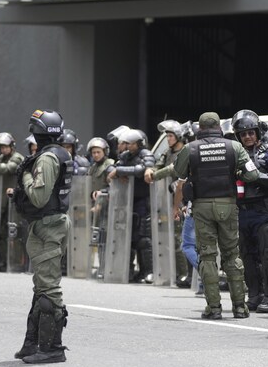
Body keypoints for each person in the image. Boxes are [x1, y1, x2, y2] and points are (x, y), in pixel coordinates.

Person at [167, 112, 259, 319]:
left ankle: (214, 308)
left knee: (207, 256)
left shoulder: (191, 148)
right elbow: (252, 174)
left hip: (202, 206)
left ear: (200, 127)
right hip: (227, 204)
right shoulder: (233, 147)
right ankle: (239, 307)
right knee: (232, 255)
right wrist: (236, 174)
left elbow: (179, 173)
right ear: (219, 126)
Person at [12, 109, 71, 364]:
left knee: (48, 287)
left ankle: (52, 348)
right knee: (41, 286)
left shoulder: (48, 159)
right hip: (48, 223)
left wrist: (25, 175)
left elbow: (38, 197)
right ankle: (33, 343)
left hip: (48, 225)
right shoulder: (58, 153)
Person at [230, 110, 268, 313]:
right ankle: (254, 295)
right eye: (243, 134)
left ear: (258, 133)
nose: (248, 137)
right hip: (242, 211)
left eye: (251, 133)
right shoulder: (234, 155)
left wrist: (256, 176)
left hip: (264, 212)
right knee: (247, 256)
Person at [144, 119, 190, 287]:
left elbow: (173, 169)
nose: (168, 139)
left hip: (183, 200)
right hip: (168, 200)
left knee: (181, 239)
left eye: (170, 136)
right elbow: (158, 165)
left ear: (179, 136)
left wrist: (154, 175)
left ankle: (185, 274)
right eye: (167, 136)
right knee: (171, 238)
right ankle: (176, 273)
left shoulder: (185, 151)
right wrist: (151, 170)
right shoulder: (167, 152)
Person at [108, 129, 156, 283]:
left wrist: (120, 172)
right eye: (127, 143)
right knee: (128, 237)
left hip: (143, 200)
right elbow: (114, 168)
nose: (128, 146)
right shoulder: (125, 156)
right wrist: (118, 171)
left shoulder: (146, 154)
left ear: (139, 143)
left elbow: (141, 170)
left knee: (144, 238)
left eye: (131, 143)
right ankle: (127, 270)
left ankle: (147, 271)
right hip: (127, 200)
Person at [0, 132, 24, 271]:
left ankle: (16, 261)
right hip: (1, 201)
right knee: (2, 232)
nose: (3, 150)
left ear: (12, 146)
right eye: (1, 147)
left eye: (5, 147)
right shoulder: (1, 158)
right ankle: (2, 260)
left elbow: (10, 168)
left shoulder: (17, 157)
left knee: (15, 231)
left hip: (14, 200)